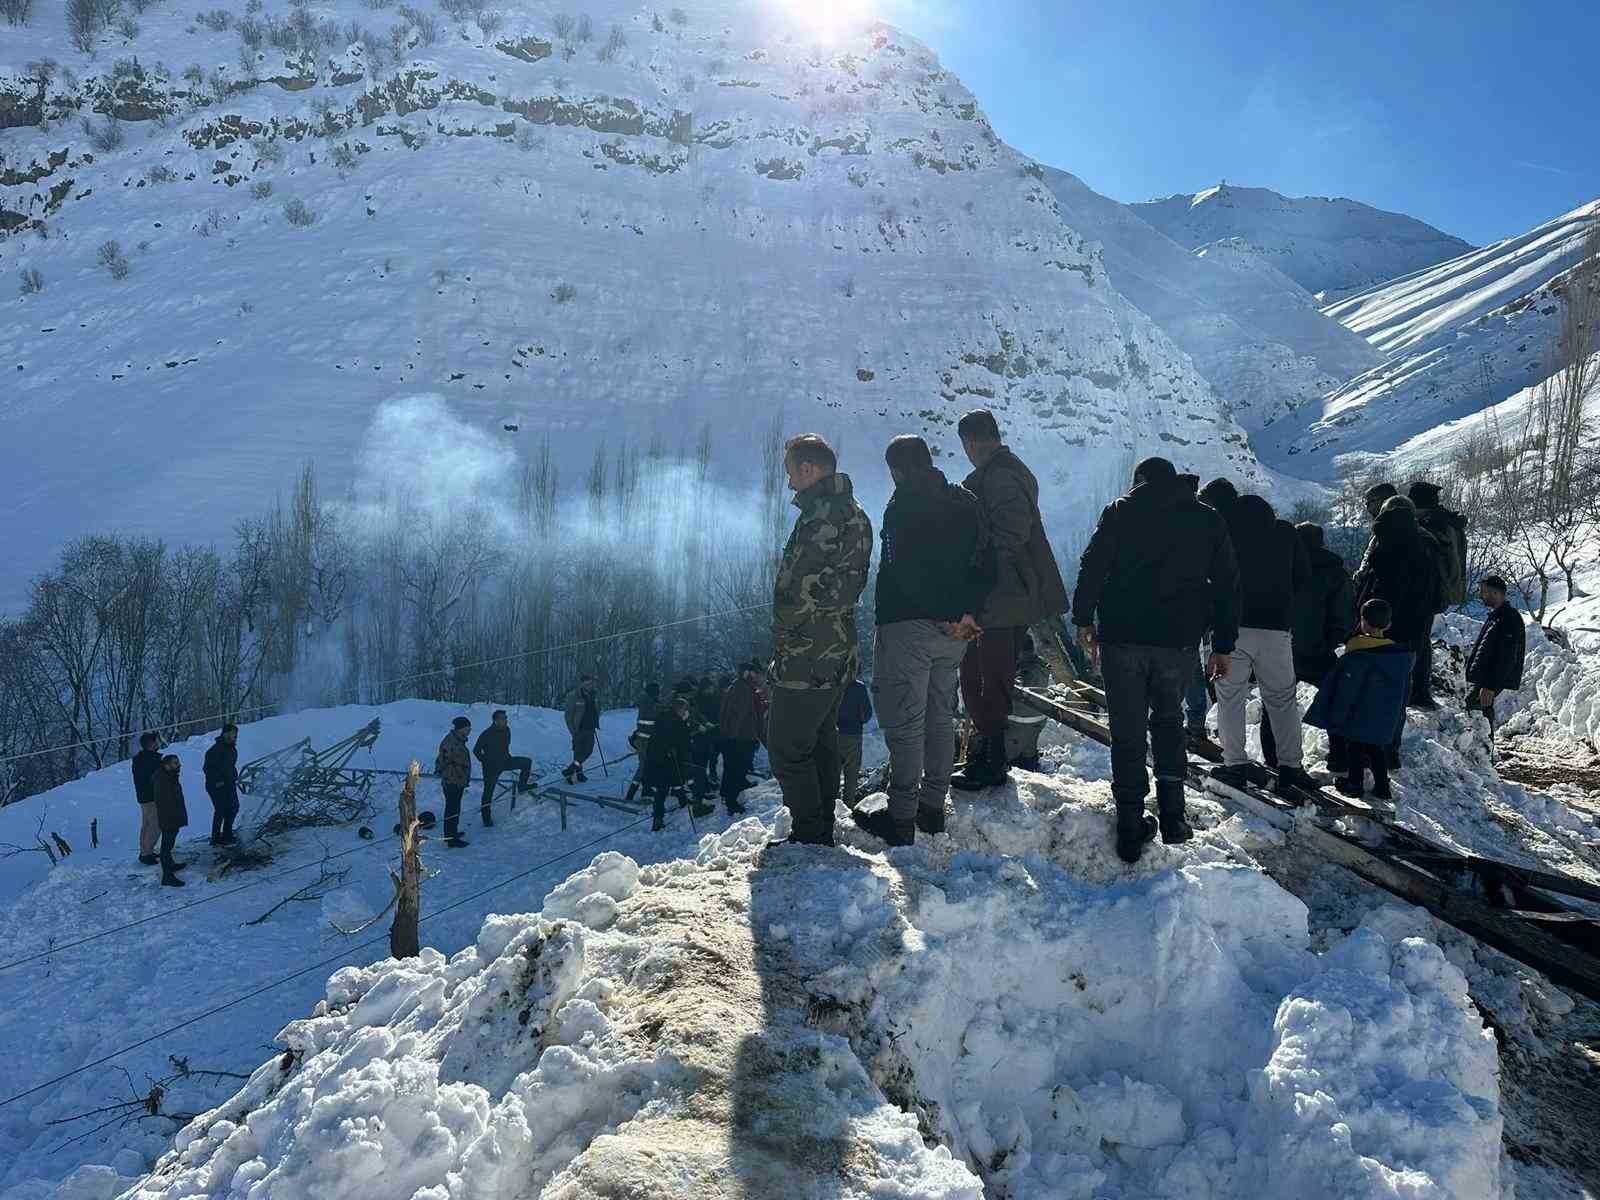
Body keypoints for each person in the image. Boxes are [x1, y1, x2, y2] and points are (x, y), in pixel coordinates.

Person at [1073, 457, 1240, 863]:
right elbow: (1227, 583)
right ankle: (1173, 817)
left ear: (1140, 481)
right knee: (1168, 723)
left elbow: (1093, 565)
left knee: (1127, 730)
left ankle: (1130, 826)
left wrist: (1082, 620)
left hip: (1123, 640)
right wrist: (1223, 643)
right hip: (1178, 642)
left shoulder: (1120, 511)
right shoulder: (1207, 519)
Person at [853, 434, 984, 845]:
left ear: (896, 470)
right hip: (956, 633)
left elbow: (903, 572)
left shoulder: (901, 507)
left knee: (905, 722)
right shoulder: (965, 501)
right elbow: (987, 560)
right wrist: (967, 613)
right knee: (940, 717)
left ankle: (900, 817)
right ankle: (932, 808)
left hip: (908, 627)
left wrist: (942, 612)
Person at [951, 409, 1069, 791]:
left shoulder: (1000, 477)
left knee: (986, 677)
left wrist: (978, 572)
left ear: (971, 443)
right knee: (983, 675)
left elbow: (1009, 532)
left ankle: (991, 761)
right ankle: (986, 756)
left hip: (1002, 596)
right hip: (1005, 594)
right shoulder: (1004, 472)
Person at [767, 433, 873, 846]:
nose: (790, 483)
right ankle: (821, 824)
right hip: (837, 649)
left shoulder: (820, 517)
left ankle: (810, 831)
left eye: (792, 472)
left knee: (787, 748)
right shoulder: (853, 511)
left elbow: (796, 592)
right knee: (821, 741)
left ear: (809, 469)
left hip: (808, 652)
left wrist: (781, 634)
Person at [1210, 494, 1317, 794]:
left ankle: (1234, 764)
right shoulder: (1286, 533)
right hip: (1276, 629)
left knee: (1230, 697)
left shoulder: (1226, 536)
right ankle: (1291, 766)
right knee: (1282, 699)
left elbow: (1214, 582)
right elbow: (1304, 578)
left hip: (1234, 630)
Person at [1262, 522, 1356, 770]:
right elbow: (1345, 616)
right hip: (1319, 653)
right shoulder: (1336, 573)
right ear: (1321, 542)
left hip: (1281, 649)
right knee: (1337, 699)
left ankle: (1273, 760)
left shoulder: (1278, 568)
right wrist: (1328, 643)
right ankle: (1339, 757)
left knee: (1275, 703)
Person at [1355, 495, 1440, 765]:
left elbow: (1369, 579)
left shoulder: (1382, 539)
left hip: (1379, 625)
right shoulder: (1427, 541)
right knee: (1398, 692)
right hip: (1413, 629)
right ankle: (1390, 751)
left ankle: (1365, 749)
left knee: (1370, 689)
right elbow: (1435, 588)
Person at [1304, 599, 1414, 801]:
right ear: (1388, 625)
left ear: (1362, 621)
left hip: (1359, 716)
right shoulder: (1398, 657)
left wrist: (1337, 716)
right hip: (1385, 717)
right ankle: (1382, 787)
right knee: (1376, 749)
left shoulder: (1358, 655)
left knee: (1355, 748)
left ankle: (1354, 784)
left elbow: (1347, 691)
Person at [1406, 480, 1469, 708]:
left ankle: (1418, 692)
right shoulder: (1448, 522)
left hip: (1428, 591)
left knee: (1418, 641)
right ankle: (1419, 690)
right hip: (1441, 590)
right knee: (1422, 640)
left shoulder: (1431, 525)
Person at [1464, 575, 1526, 737]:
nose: (1480, 596)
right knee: (1477, 709)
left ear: (1495, 594)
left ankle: (1485, 749)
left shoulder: (1508, 619)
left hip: (1489, 680)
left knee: (1477, 710)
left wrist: (1490, 686)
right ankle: (1483, 750)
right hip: (1485, 678)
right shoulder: (1497, 617)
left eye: (1484, 592)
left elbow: (1507, 657)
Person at [643, 693, 711, 830]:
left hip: (656, 760)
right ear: (680, 710)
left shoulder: (662, 718)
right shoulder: (677, 722)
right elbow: (684, 743)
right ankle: (695, 806)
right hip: (671, 760)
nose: (686, 713)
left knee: (664, 789)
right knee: (690, 778)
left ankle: (658, 817)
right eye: (685, 710)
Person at [1180, 473, 1213, 737]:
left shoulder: (1167, 517)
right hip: (1201, 602)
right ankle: (1196, 720)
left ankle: (1167, 716)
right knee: (1194, 664)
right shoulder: (1209, 518)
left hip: (1173, 603)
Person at [472, 710, 532, 827]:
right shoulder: (486, 734)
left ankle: (522, 786)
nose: (506, 720)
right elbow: (476, 751)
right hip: (491, 768)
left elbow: (505, 746)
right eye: (503, 718)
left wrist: (506, 756)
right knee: (488, 792)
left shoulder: (507, 730)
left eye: (506, 718)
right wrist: (487, 762)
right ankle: (486, 818)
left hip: (505, 761)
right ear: (496, 720)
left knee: (527, 762)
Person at [718, 662, 764, 815]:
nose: (758, 677)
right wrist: (734, 737)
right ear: (747, 673)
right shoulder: (742, 688)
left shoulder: (741, 687)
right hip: (739, 738)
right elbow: (739, 715)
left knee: (733, 768)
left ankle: (727, 793)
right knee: (736, 768)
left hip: (738, 736)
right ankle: (731, 801)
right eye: (755, 673)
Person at [1005, 635, 1052, 771]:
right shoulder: (1041, 664)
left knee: (1008, 751)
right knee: (1029, 747)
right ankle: (1030, 762)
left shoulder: (1023, 667)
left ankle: (1015, 760)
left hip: (1019, 721)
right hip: (1038, 720)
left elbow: (1020, 684)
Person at [152, 754, 190, 887]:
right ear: (166, 765)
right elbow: (165, 802)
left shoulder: (169, 776)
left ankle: (171, 865)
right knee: (166, 847)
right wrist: (173, 818)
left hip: (173, 816)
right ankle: (167, 876)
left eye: (178, 763)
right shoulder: (163, 779)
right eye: (175, 763)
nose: (179, 766)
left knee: (169, 845)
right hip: (169, 817)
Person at [434, 716, 472, 848]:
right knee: (452, 809)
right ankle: (451, 838)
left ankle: (452, 833)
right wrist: (448, 774)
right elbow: (442, 761)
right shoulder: (451, 742)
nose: (469, 730)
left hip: (457, 780)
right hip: (452, 781)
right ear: (461, 728)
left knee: (454, 808)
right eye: (467, 728)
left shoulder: (458, 740)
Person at [836, 676, 873, 807]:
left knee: (832, 773)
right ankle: (848, 807)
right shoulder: (859, 687)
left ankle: (832, 807)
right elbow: (867, 714)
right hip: (853, 735)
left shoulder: (832, 684)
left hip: (833, 735)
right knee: (851, 775)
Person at [202, 723, 240, 847]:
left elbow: (230, 766)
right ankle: (216, 838)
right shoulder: (215, 750)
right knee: (221, 810)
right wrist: (218, 782)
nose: (232, 737)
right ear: (223, 734)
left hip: (229, 783)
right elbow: (208, 769)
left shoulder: (232, 749)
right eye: (229, 734)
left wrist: (233, 775)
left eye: (234, 735)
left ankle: (227, 834)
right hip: (216, 786)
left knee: (233, 807)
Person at [623, 682, 661, 806]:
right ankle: (631, 794)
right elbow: (651, 721)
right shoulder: (649, 704)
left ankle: (647, 791)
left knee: (649, 766)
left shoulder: (650, 702)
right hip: (645, 741)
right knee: (643, 767)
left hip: (647, 740)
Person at [562, 674, 601, 784]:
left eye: (590, 683)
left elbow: (597, 709)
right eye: (587, 683)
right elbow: (568, 715)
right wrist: (573, 730)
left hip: (590, 728)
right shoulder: (574, 695)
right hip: (579, 729)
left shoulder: (594, 695)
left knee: (587, 751)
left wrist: (596, 720)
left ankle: (570, 770)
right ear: (582, 683)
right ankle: (578, 775)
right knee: (578, 752)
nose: (589, 685)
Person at [132, 731, 162, 866]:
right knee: (155, 826)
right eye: (157, 741)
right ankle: (146, 853)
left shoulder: (140, 758)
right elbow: (154, 779)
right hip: (151, 797)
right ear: (152, 744)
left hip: (143, 797)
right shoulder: (151, 760)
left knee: (147, 825)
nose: (159, 743)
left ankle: (145, 850)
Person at [694, 674, 724, 794]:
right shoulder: (698, 699)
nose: (711, 690)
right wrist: (705, 723)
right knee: (704, 756)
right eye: (709, 688)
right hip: (703, 730)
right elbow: (696, 713)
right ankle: (705, 779)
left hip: (715, 728)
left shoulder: (716, 697)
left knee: (714, 754)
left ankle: (712, 773)